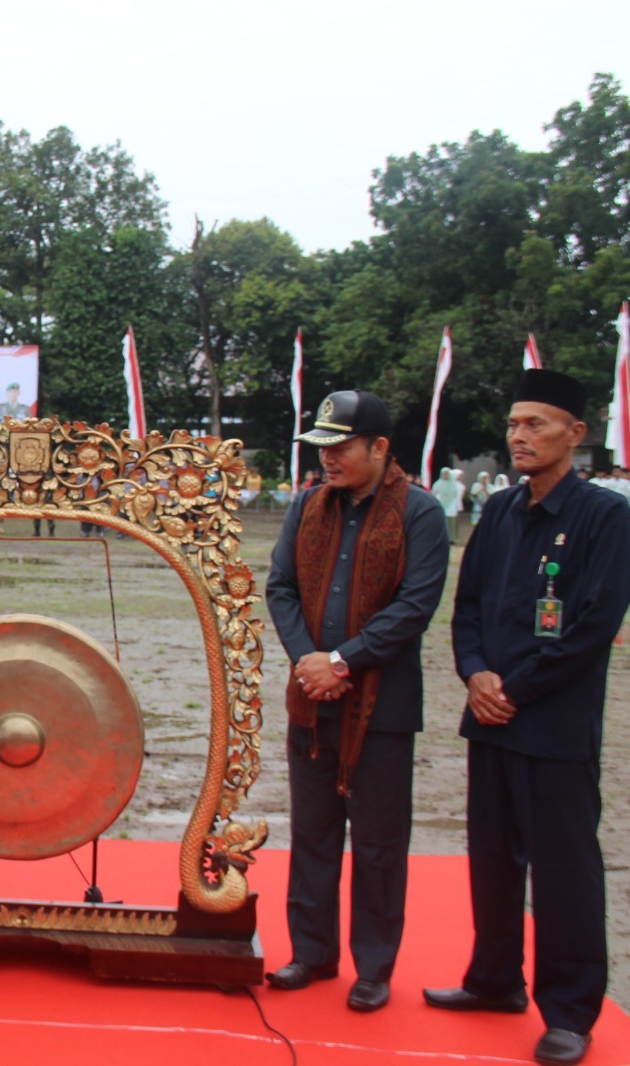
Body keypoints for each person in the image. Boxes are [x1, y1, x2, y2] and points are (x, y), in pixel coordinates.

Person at [423, 369, 630, 1066]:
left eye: (535, 424)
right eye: (514, 424)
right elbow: (471, 609)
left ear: (575, 434)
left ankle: (570, 1011)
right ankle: (493, 980)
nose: (520, 436)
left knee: (565, 870)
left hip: (554, 726)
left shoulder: (603, 517)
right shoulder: (500, 514)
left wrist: (515, 686)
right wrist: (476, 674)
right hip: (491, 718)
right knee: (490, 859)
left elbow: (593, 624)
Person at [264, 390, 448, 1013]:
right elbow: (281, 588)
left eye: (340, 448)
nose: (328, 460)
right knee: (313, 834)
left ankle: (374, 967)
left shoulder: (420, 513)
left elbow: (415, 607)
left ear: (379, 448)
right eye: (321, 448)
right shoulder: (307, 506)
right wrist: (309, 662)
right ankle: (312, 953)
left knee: (377, 842)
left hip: (383, 707)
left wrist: (342, 660)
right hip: (313, 701)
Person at [432, 467, 465, 544]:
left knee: (451, 522)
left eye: (447, 474)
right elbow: (433, 493)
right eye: (445, 474)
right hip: (440, 504)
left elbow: (456, 495)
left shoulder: (454, 485)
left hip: (451, 505)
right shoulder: (437, 484)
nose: (446, 475)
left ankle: (451, 538)